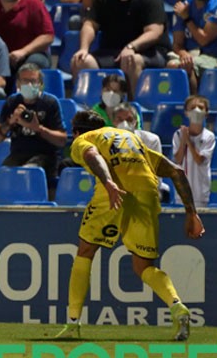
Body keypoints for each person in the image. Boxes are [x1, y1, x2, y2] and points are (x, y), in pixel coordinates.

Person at [55, 110, 205, 342]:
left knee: (85, 251)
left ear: (76, 132)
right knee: (143, 266)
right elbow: (176, 171)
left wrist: (108, 182)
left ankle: (73, 323)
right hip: (147, 192)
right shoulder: (130, 139)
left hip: (112, 192)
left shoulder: (83, 140)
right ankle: (177, 307)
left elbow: (92, 154)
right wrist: (191, 213)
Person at [71, 0, 171, 97]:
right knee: (80, 61)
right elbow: (90, 24)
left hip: (148, 52)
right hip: (112, 51)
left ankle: (133, 109)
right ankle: (90, 108)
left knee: (131, 60)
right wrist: (84, 48)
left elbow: (154, 32)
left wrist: (131, 47)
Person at [0, 63, 67, 177]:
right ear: (18, 83)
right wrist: (10, 122)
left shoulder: (50, 103)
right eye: (25, 81)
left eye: (33, 81)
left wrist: (38, 129)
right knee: (4, 174)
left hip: (45, 156)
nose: (29, 85)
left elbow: (62, 140)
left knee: (28, 173)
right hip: (18, 155)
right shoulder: (12, 102)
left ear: (40, 84)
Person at [172, 95, 216, 207]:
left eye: (200, 107)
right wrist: (183, 140)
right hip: (182, 191)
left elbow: (199, 159)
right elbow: (178, 159)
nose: (196, 110)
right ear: (186, 112)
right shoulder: (178, 134)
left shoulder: (209, 137)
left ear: (206, 113)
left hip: (200, 192)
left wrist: (188, 141)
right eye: (192, 108)